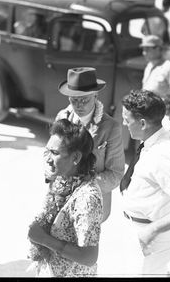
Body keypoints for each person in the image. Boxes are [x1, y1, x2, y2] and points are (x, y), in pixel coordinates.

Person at [120, 90, 170, 275]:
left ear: (142, 123)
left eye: (127, 120)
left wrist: (152, 231)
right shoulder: (153, 139)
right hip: (141, 230)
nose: (124, 123)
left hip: (151, 238)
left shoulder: (164, 153)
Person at [28, 119, 103, 277]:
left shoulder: (87, 197)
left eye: (55, 153)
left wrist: (43, 239)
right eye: (48, 151)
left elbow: (89, 257)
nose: (48, 159)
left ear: (76, 157)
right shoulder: (61, 181)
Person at [55, 67, 125, 222]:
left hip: (92, 205)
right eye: (74, 100)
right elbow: (50, 152)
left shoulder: (111, 128)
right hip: (62, 200)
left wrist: (82, 186)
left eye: (84, 100)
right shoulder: (62, 117)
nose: (79, 105)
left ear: (96, 96)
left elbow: (116, 173)